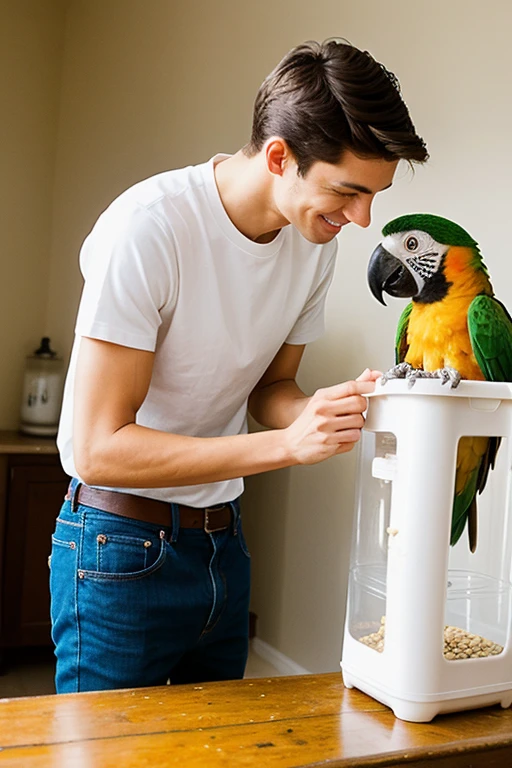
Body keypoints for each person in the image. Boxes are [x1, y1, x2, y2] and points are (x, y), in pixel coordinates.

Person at [51, 38, 428, 693]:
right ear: (280, 156)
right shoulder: (148, 228)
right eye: (348, 191)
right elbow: (98, 449)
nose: (363, 219)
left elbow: (271, 387)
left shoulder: (313, 242)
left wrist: (315, 412)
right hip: (115, 546)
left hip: (223, 545)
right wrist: (285, 445)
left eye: (374, 195)